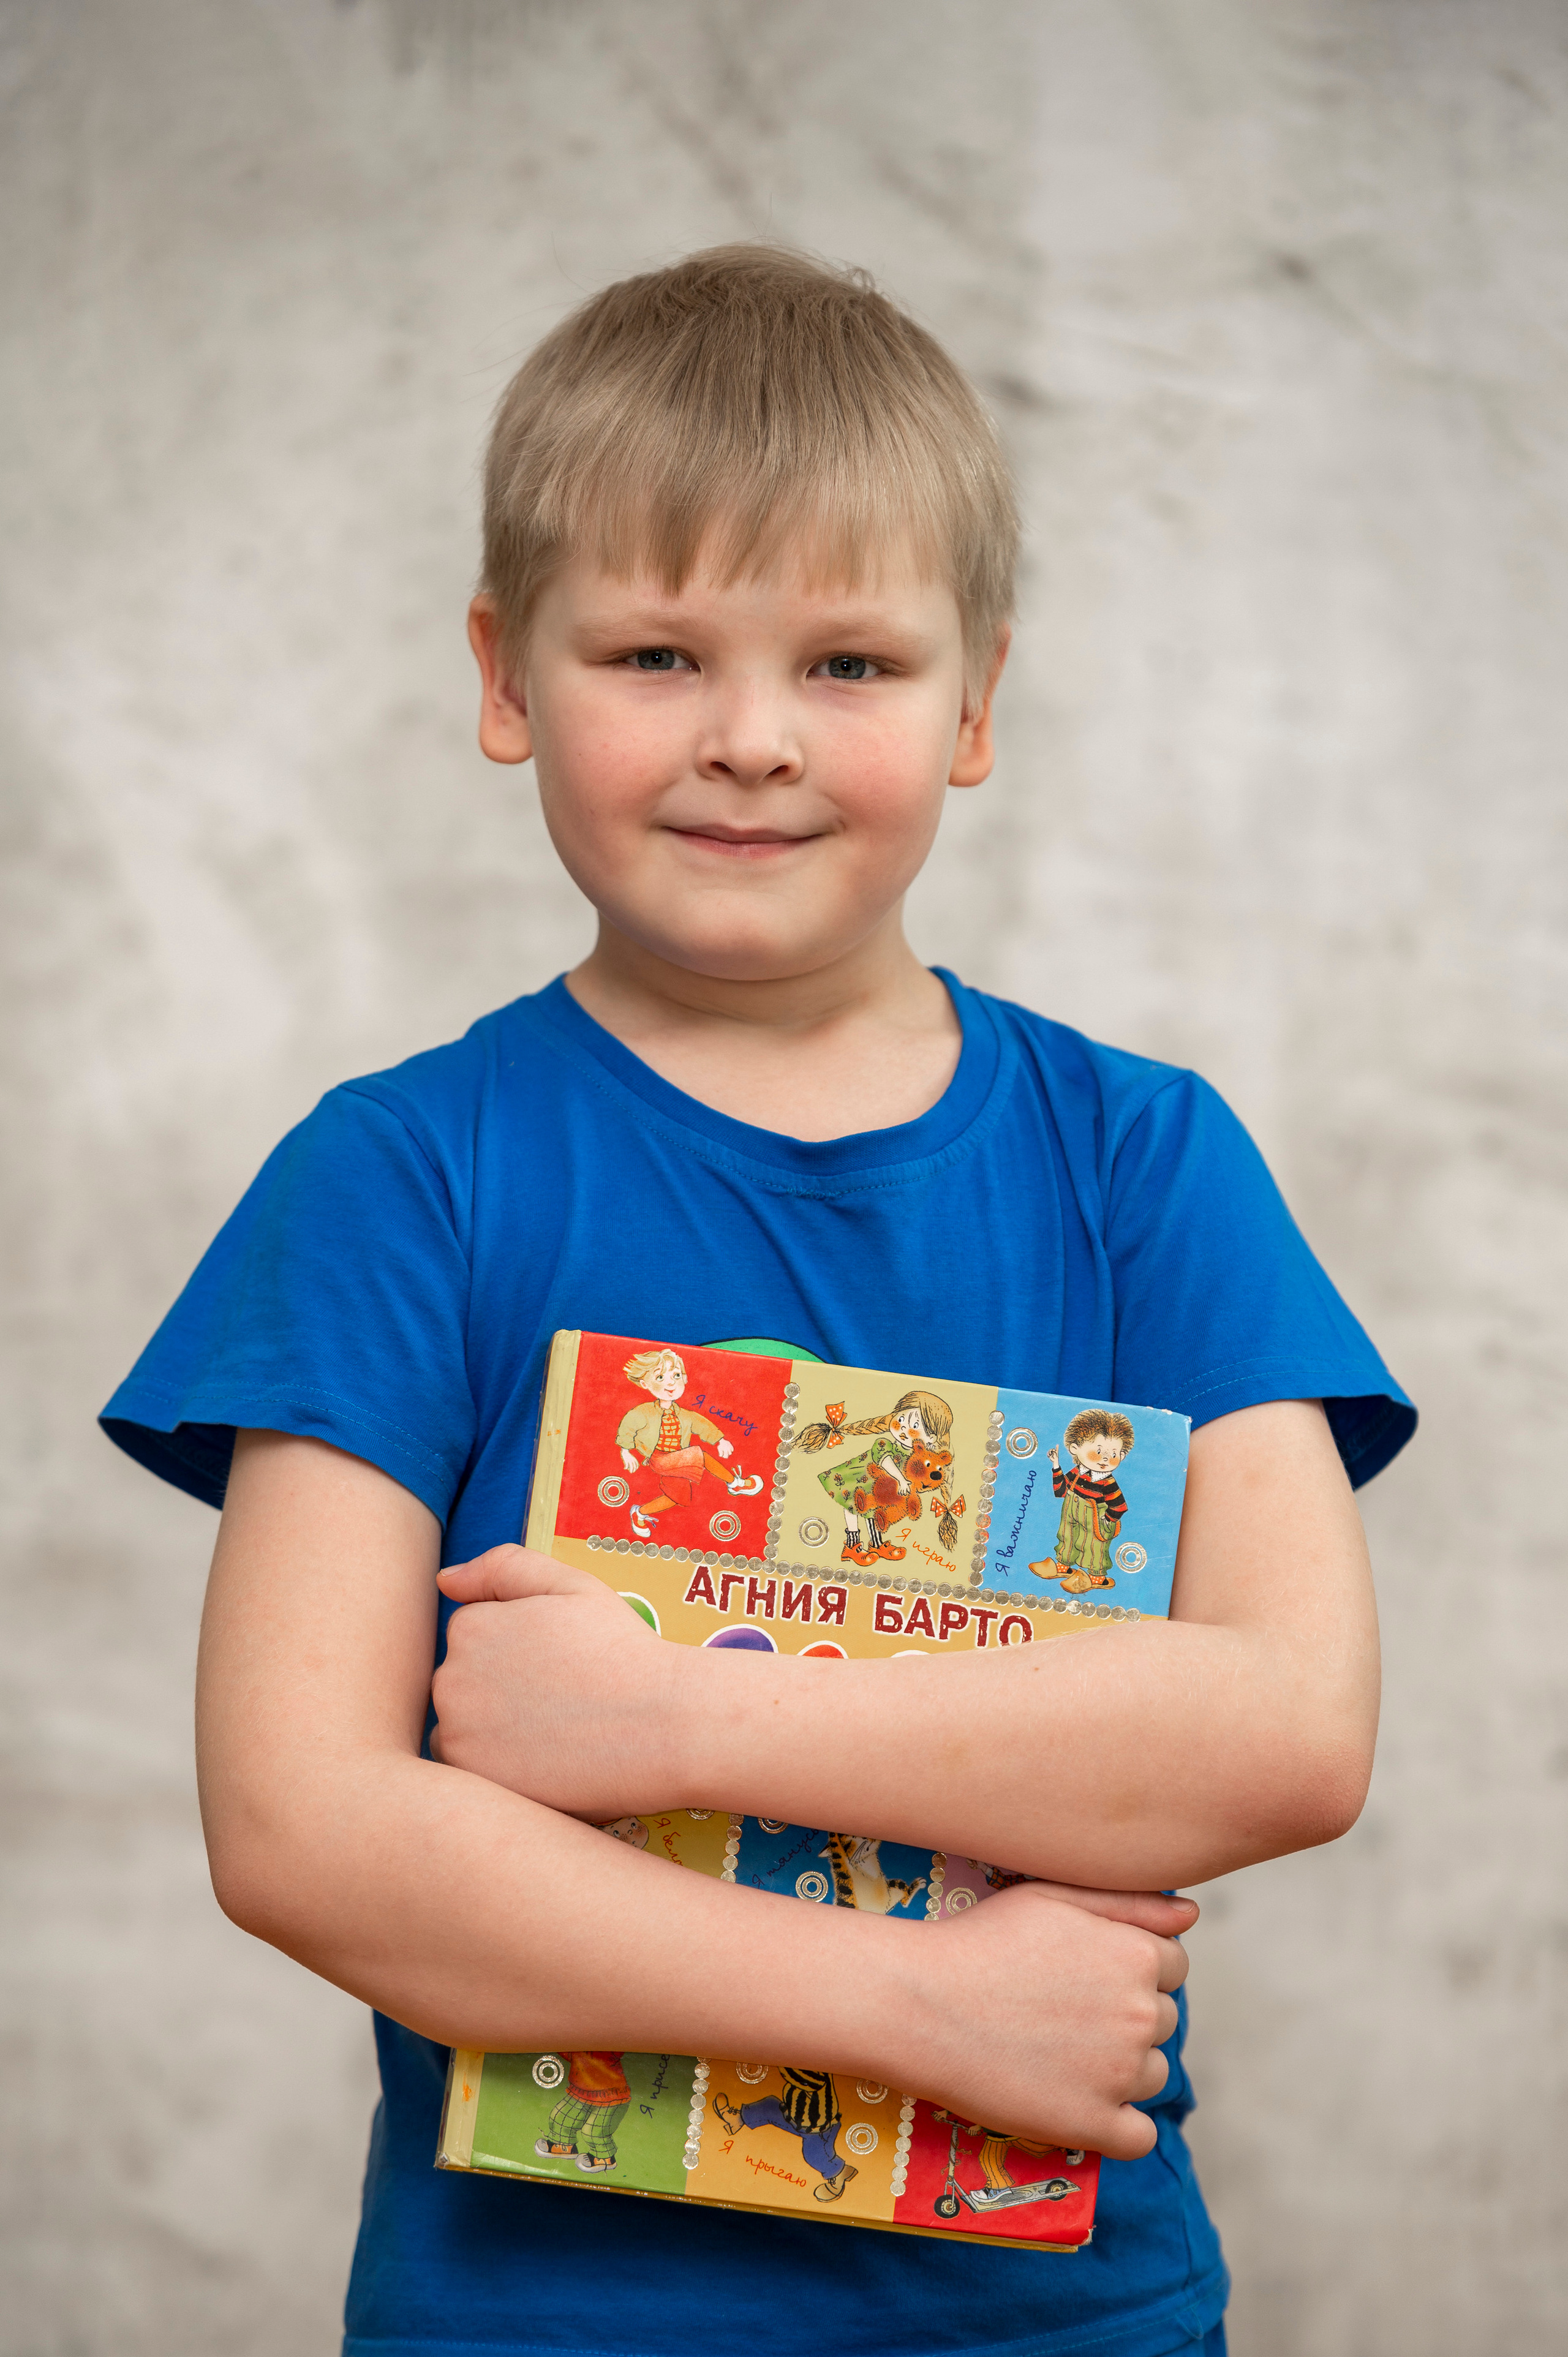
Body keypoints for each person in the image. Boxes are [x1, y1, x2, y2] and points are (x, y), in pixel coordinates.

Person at [100, 246, 1413, 2357]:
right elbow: (302, 1827)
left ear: (977, 700)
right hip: (540, 2325)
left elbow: (1289, 1727)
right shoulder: (405, 1174)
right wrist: (920, 2004)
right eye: (648, 649)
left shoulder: (1143, 1162)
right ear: (505, 674)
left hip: (1068, 2322)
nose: (747, 742)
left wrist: (690, 1717)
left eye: (851, 667)